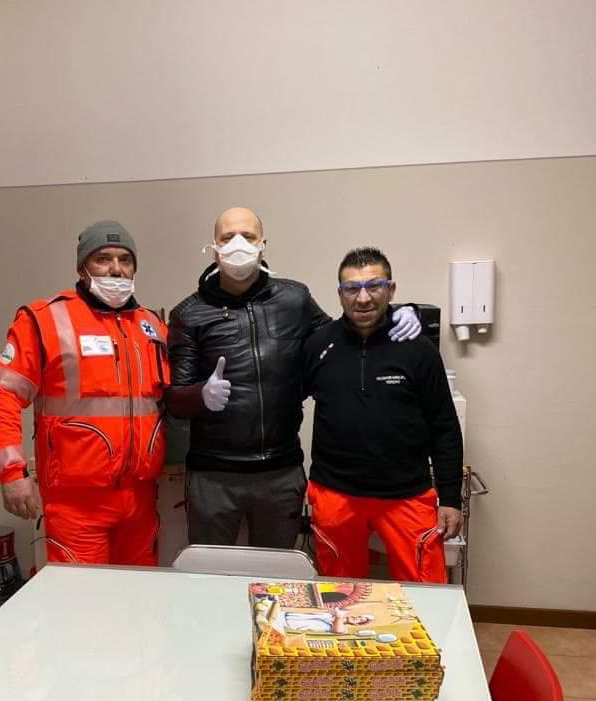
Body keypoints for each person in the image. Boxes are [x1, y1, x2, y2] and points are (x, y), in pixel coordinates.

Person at [164, 207, 421, 548]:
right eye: (228, 237)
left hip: (281, 472)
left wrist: (398, 312)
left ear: (262, 245)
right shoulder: (189, 313)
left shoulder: (293, 299)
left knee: (276, 573)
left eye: (248, 236)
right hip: (214, 476)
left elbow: (342, 337)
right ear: (215, 248)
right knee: (209, 571)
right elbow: (175, 400)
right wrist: (201, 396)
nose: (238, 244)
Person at [0, 220, 169, 566]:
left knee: (140, 593)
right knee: (81, 597)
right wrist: (11, 474)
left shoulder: (152, 327)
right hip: (76, 505)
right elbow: (0, 395)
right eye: (103, 258)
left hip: (140, 499)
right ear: (82, 267)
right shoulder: (44, 320)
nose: (116, 269)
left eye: (125, 260)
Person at [303, 246, 463, 582]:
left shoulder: (418, 348)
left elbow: (444, 426)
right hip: (335, 492)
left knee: (427, 590)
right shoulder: (319, 345)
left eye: (374, 286)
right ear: (340, 294)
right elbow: (286, 402)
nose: (363, 298)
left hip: (406, 494)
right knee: (340, 594)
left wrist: (450, 497)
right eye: (352, 288)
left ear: (391, 289)